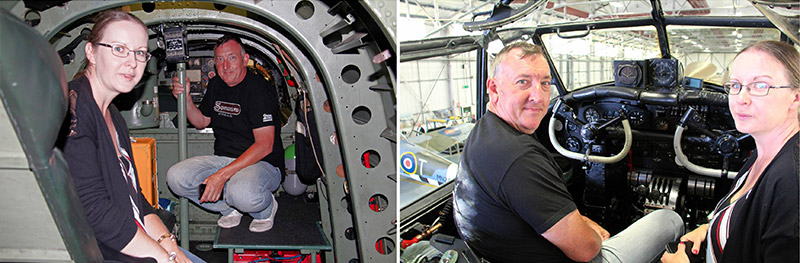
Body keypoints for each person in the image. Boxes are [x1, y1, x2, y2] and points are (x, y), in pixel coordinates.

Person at [452, 41, 683, 263]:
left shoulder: (484, 131)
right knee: (670, 219)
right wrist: (591, 235)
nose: (538, 97)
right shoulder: (519, 158)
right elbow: (586, 250)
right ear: (493, 88)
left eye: (544, 83)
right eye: (523, 82)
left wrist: (581, 222)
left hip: (505, 252)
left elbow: (534, 207)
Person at [61, 11, 204, 263]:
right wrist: (164, 258)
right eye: (119, 49)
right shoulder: (74, 109)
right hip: (106, 251)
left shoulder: (114, 115)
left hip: (136, 240)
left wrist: (172, 249)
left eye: (139, 52)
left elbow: (136, 198)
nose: (132, 62)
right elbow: (93, 210)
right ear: (91, 53)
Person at [661, 41, 799, 263]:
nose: (741, 99)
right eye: (735, 85)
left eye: (760, 86)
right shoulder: (764, 152)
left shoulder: (793, 184)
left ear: (796, 97)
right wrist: (711, 226)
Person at [166, 34, 284, 232]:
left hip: (262, 163)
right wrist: (185, 97)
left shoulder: (259, 89)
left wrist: (220, 177)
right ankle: (229, 208)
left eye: (232, 58)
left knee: (242, 193)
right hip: (225, 158)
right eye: (220, 59)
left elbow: (265, 145)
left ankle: (266, 209)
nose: (225, 66)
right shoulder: (216, 85)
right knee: (176, 178)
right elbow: (201, 121)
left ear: (245, 60)